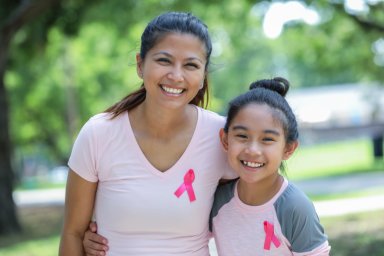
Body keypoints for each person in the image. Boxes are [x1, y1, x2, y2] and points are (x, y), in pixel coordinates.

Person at [59, 11, 237, 256]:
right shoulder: (99, 134)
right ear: (141, 65)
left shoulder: (222, 137)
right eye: (164, 60)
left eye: (191, 65)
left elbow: (264, 202)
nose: (176, 75)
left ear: (203, 76)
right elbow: (73, 234)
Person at [210, 77, 331, 255]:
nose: (252, 150)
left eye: (267, 139)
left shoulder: (294, 207)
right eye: (242, 136)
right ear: (225, 139)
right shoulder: (218, 199)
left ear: (288, 149)